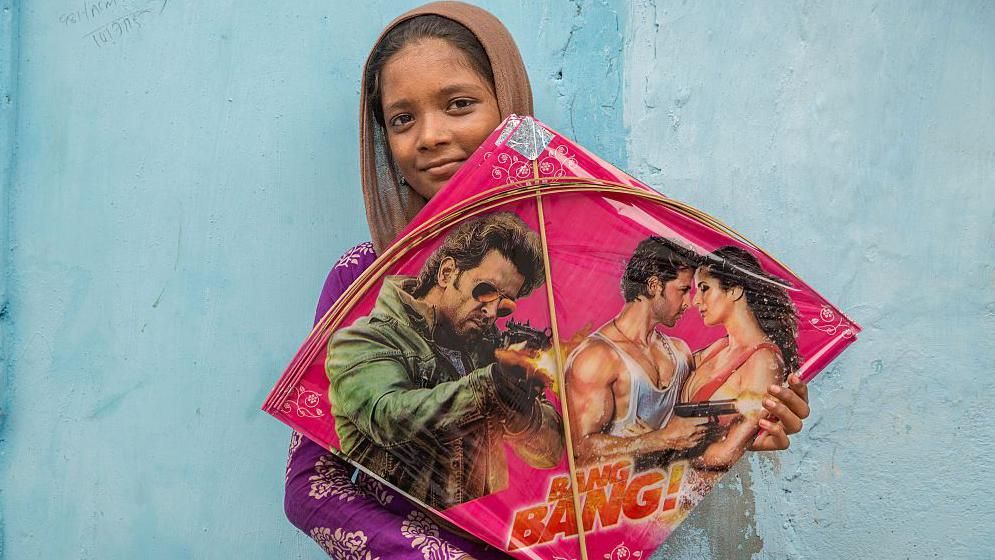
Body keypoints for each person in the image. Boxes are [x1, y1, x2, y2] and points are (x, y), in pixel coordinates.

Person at [283, 3, 810, 558]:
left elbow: (571, 456)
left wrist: (751, 416)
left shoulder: (572, 279)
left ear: (509, 106)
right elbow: (311, 488)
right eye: (401, 119)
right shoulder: (362, 280)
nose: (430, 136)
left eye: (459, 104)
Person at [327, 212, 563, 510]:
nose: (491, 313)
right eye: (485, 291)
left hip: (485, 532)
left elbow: (551, 451)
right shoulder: (363, 341)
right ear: (447, 272)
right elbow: (391, 417)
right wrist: (493, 385)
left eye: (503, 304)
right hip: (403, 527)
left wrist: (521, 404)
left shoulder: (489, 348)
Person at [565, 237, 707, 467]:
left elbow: (700, 427)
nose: (688, 303)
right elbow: (580, 450)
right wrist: (659, 439)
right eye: (683, 290)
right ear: (654, 285)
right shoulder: (597, 358)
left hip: (669, 495)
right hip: (611, 497)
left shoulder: (680, 353)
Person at [681, 245, 801, 476]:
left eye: (704, 288)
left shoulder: (763, 362)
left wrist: (659, 451)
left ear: (735, 290)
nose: (696, 300)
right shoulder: (719, 348)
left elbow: (727, 454)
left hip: (710, 495)